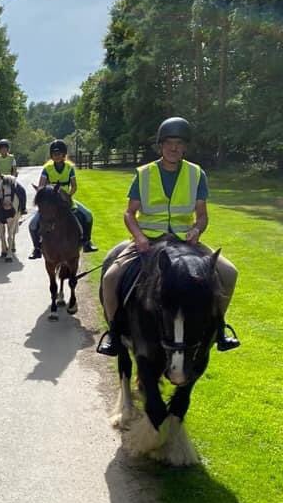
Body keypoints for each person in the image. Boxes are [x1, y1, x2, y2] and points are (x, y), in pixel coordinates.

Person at [97, 116, 240, 355]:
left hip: (185, 241)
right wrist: (139, 237)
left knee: (229, 272)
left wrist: (197, 229)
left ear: (185, 146)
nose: (174, 148)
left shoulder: (196, 174)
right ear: (161, 145)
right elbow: (130, 213)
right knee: (111, 277)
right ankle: (114, 333)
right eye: (169, 142)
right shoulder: (144, 174)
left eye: (179, 143)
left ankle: (218, 327)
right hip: (149, 241)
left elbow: (202, 215)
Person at [29, 139, 98, 258]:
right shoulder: (47, 169)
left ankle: (87, 241)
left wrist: (68, 197)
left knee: (87, 215)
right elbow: (41, 186)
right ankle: (36, 248)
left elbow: (74, 186)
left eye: (59, 154)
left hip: (66, 200)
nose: (56, 156)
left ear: (64, 155)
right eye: (54, 154)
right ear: (51, 155)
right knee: (33, 224)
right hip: (51, 202)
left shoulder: (69, 168)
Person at [0, 139, 27, 218]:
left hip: (10, 180)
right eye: (1, 148)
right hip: (0, 180)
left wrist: (12, 178)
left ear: (8, 149)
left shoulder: (12, 158)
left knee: (22, 190)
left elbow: (14, 171)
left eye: (5, 148)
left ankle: (23, 209)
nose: (3, 150)